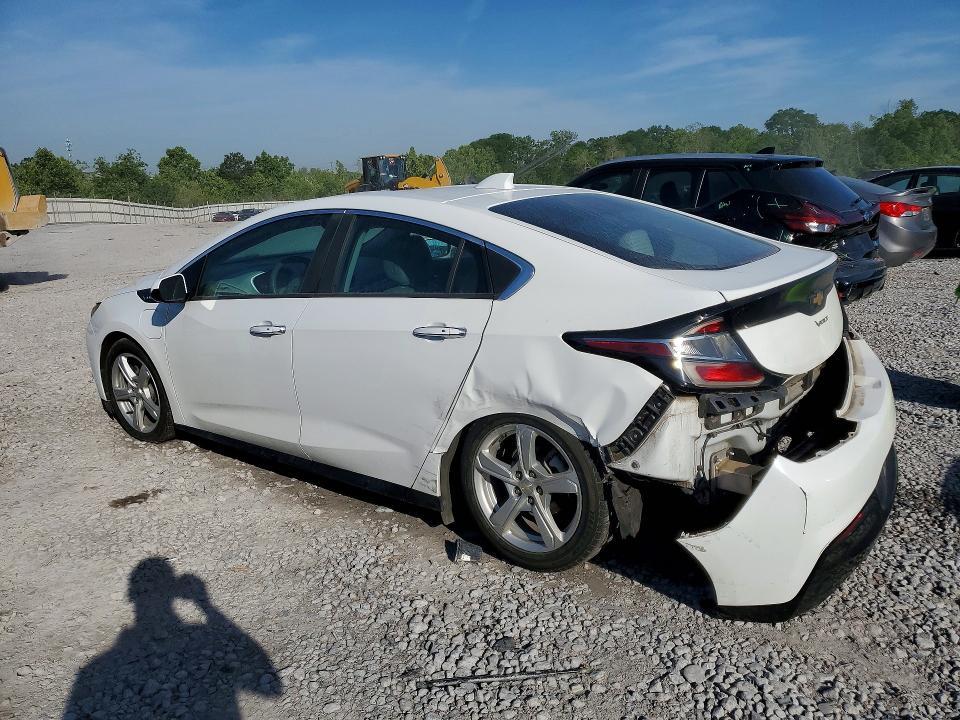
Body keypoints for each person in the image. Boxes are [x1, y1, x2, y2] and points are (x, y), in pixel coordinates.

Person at [62, 558, 281, 719]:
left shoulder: (93, 670)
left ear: (131, 596)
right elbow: (271, 689)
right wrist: (205, 605)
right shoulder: (201, 634)